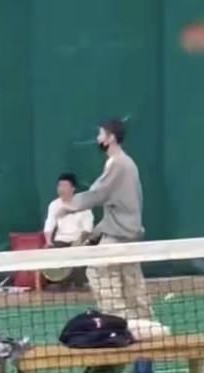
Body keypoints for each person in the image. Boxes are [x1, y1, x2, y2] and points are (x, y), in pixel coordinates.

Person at [58, 119, 151, 320]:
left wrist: (69, 205)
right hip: (129, 233)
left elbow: (99, 193)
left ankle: (117, 319)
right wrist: (97, 232)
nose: (98, 138)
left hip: (121, 235)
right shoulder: (126, 163)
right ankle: (143, 320)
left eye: (101, 134)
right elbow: (117, 204)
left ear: (111, 138)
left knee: (98, 272)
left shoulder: (117, 164)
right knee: (131, 281)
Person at [43, 173, 94, 248]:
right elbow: (49, 223)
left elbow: (87, 228)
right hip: (60, 241)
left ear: (73, 188)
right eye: (59, 186)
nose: (61, 189)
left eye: (64, 186)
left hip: (79, 241)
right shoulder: (54, 205)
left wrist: (78, 242)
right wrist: (48, 242)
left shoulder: (83, 204)